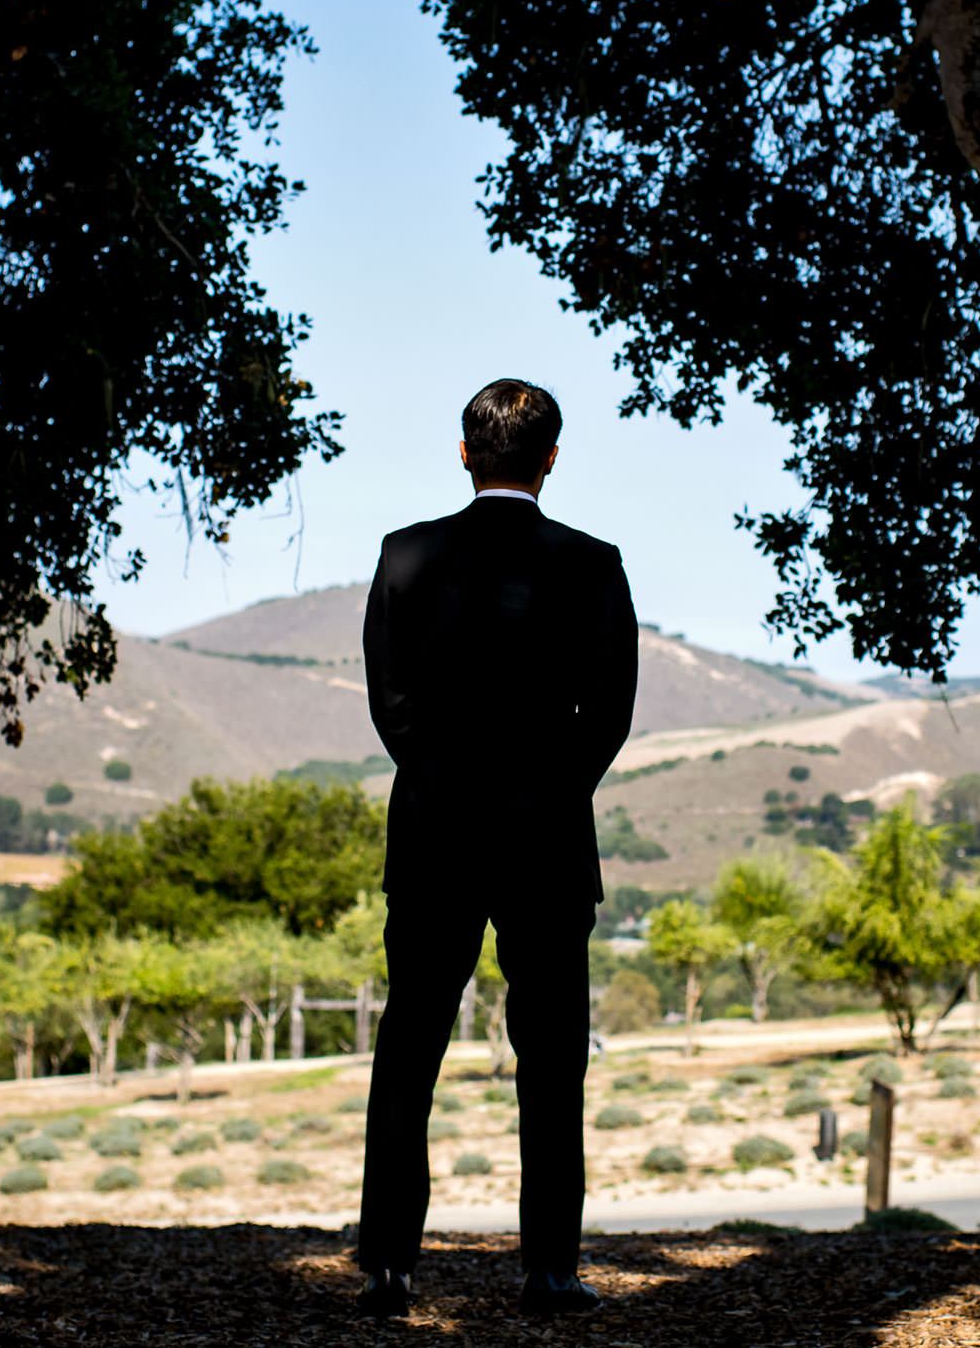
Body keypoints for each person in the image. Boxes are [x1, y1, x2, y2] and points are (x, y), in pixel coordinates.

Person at [352, 378, 639, 1320]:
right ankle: (550, 1271)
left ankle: (390, 1265)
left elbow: (389, 702)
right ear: (551, 458)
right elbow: (610, 714)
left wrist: (443, 786)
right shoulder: (595, 565)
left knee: (410, 1047)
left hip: (434, 833)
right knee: (553, 1058)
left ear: (465, 452)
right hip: (549, 841)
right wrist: (547, 794)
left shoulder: (405, 556)